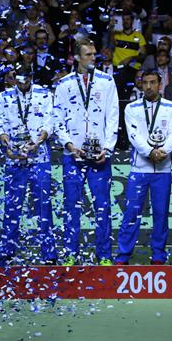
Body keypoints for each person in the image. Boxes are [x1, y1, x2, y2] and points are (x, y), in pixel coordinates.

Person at [54, 38, 120, 266]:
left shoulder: (107, 81)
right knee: (72, 206)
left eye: (94, 54)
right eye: (89, 54)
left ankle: (104, 256)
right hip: (73, 156)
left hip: (99, 156)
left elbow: (113, 117)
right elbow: (57, 119)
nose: (94, 58)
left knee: (102, 206)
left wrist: (108, 148)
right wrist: (69, 145)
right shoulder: (63, 85)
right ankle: (70, 253)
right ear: (77, 58)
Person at [115, 71, 172, 265]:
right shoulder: (131, 108)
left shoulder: (171, 107)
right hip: (139, 168)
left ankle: (159, 254)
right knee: (131, 213)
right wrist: (150, 152)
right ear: (140, 85)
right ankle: (123, 254)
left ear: (160, 84)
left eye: (153, 83)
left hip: (163, 169)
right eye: (145, 83)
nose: (149, 86)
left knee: (161, 214)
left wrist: (163, 151)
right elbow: (133, 135)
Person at [0, 70, 56, 265]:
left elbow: (49, 121)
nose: (21, 80)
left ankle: (49, 253)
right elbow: (1, 124)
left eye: (25, 75)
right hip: (14, 158)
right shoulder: (4, 96)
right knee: (12, 207)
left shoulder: (45, 93)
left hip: (39, 157)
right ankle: (7, 251)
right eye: (16, 76)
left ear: (30, 75)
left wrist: (38, 142)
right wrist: (8, 145)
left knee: (43, 207)